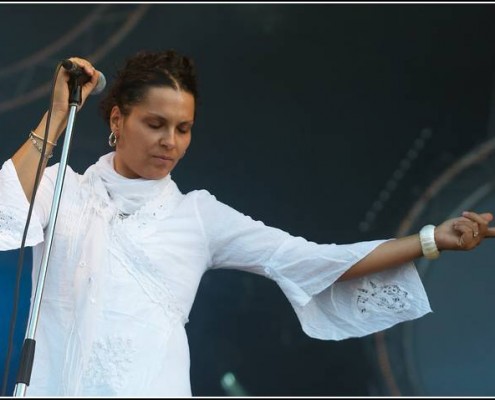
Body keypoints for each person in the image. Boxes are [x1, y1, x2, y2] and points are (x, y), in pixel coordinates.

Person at [0, 50, 494, 397]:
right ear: (116, 119)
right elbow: (4, 211)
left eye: (183, 128)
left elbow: (312, 260)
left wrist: (430, 239)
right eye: (155, 124)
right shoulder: (62, 189)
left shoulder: (198, 215)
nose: (170, 140)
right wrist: (58, 114)